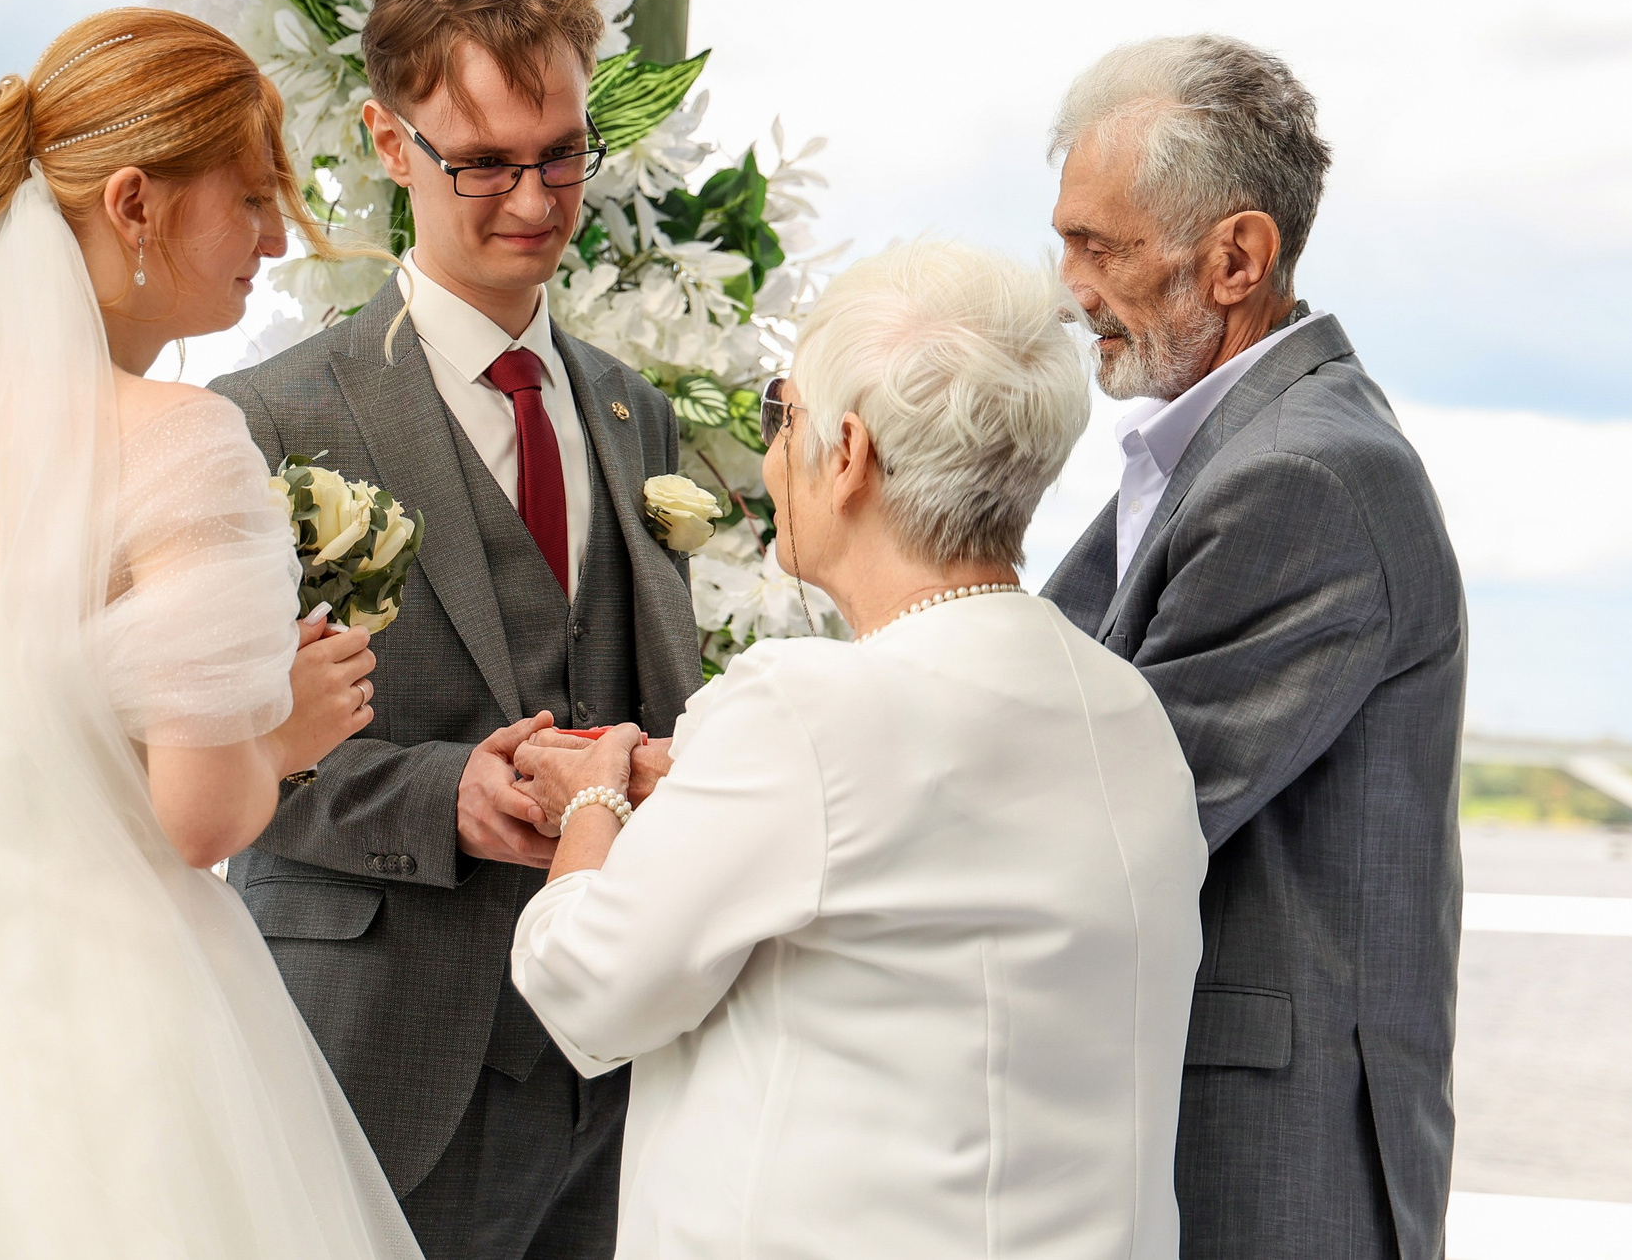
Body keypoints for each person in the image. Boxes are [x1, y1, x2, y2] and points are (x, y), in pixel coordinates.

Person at [0, 10, 421, 1260]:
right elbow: (201, 818)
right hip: (129, 1027)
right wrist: (292, 725)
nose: (273, 240)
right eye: (253, 197)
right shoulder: (179, 437)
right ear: (134, 204)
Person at [507, 241, 1207, 1260]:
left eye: (777, 415)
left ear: (846, 453)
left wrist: (591, 804)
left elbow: (586, 986)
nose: (769, 450)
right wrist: (699, 791)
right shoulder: (1125, 710)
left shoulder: (804, 708)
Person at [210, 0, 705, 1260]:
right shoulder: (266, 420)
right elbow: (215, 762)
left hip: (622, 1086)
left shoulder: (634, 412)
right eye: (484, 165)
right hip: (379, 1063)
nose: (537, 203)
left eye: (563, 156)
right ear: (388, 142)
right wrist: (451, 793)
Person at [1037, 35, 1466, 1260]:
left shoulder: (1304, 476)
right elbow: (1025, 682)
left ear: (1236, 257)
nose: (1068, 285)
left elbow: (1102, 798)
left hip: (1267, 1167)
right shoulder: (1223, 451)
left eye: (1098, 246)